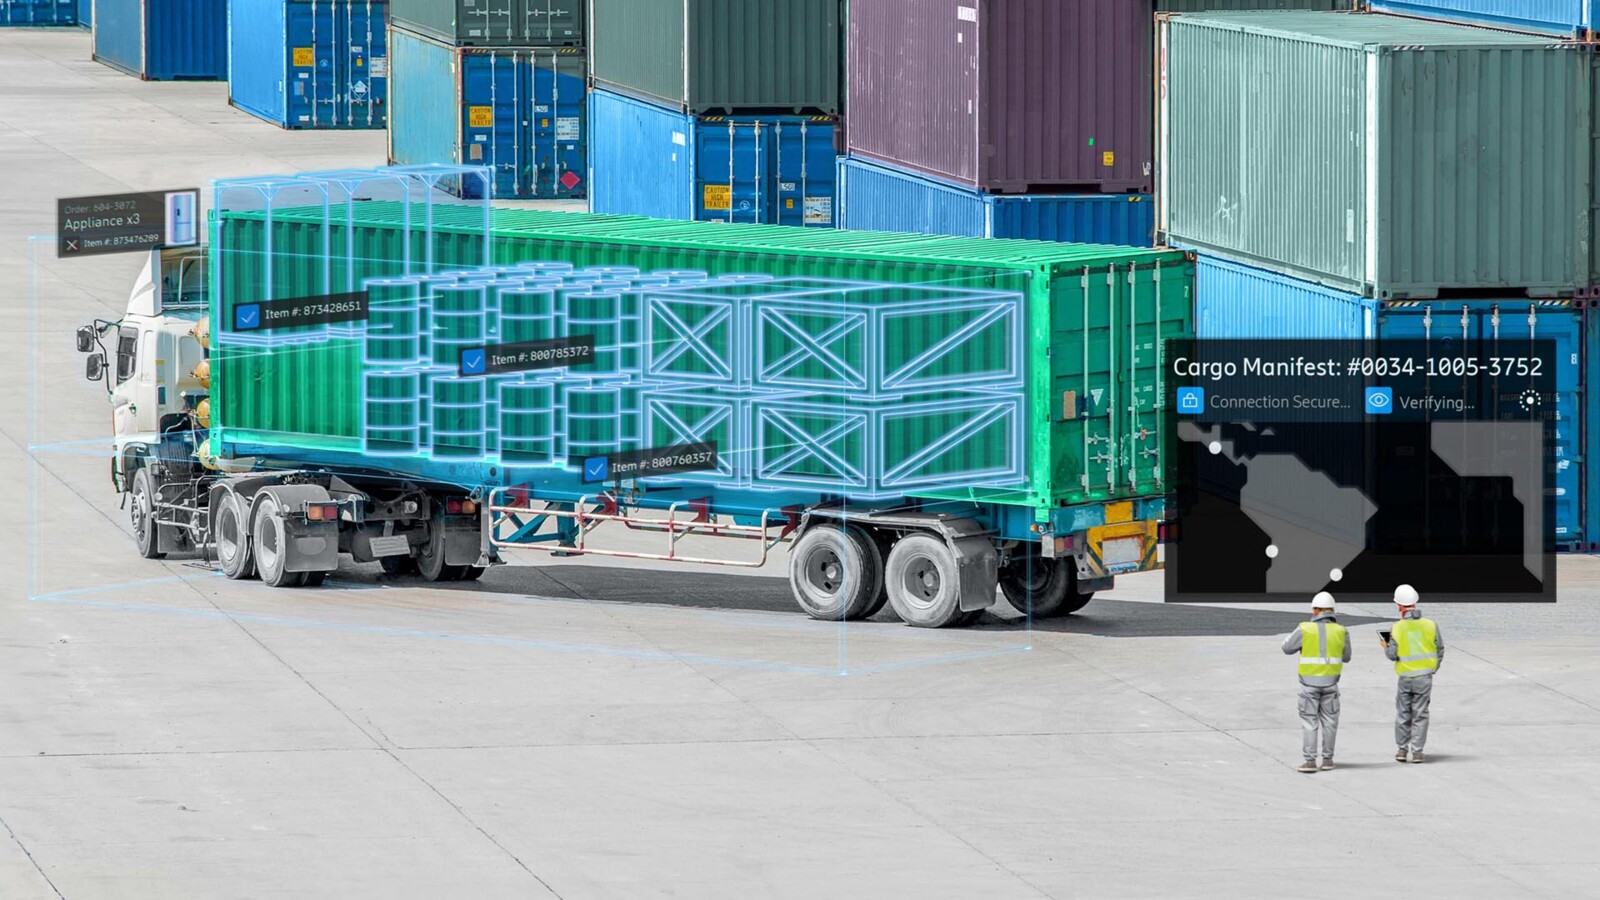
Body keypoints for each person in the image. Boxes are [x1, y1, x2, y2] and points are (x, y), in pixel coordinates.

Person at [1281, 591, 1350, 773]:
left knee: (1309, 722)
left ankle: (1310, 761)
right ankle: (1328, 760)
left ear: (1316, 610)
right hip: (1331, 685)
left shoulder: (1305, 628)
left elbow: (1287, 648)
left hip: (1309, 685)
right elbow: (1347, 656)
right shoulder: (1341, 631)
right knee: (1330, 723)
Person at [1381, 584, 1443, 763]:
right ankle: (1417, 752)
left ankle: (1402, 750)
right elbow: (1440, 649)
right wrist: (1432, 668)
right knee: (1421, 714)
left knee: (1403, 714)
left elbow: (1392, 655)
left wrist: (1385, 646)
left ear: (1399, 606)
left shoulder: (1397, 627)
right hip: (1425, 678)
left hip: (1406, 678)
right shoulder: (1431, 625)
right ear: (1415, 603)